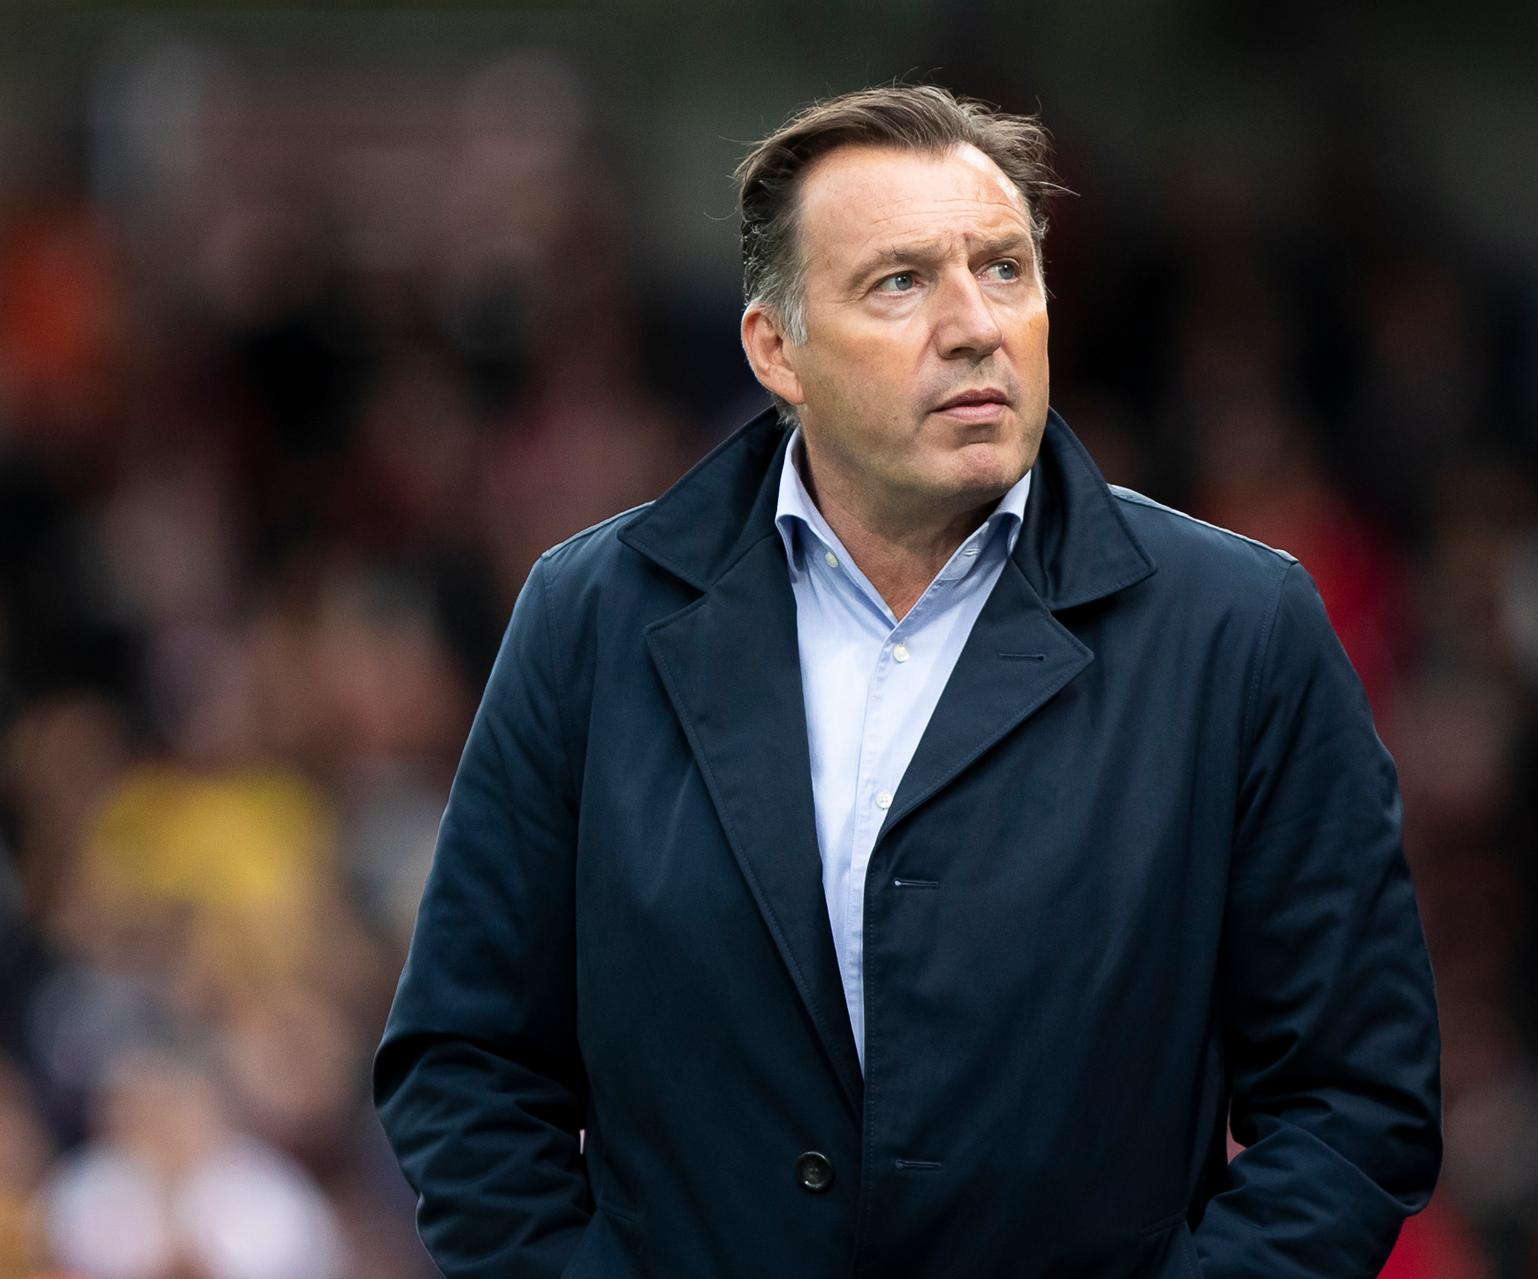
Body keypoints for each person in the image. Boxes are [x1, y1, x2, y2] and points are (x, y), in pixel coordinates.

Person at [374, 83, 1442, 1279]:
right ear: (776, 349)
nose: (976, 323)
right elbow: (465, 1063)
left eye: (1003, 269)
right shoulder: (592, 616)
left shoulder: (1238, 629)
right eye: (900, 281)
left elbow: (1353, 1101)